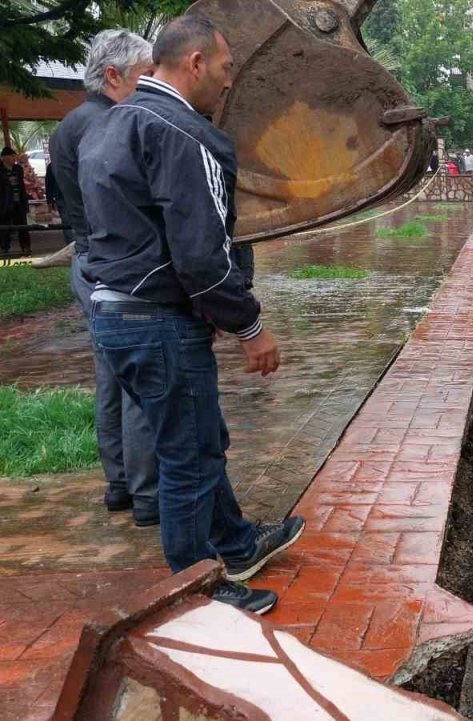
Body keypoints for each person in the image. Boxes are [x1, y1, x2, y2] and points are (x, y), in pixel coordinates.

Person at [79, 15, 304, 613]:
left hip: (112, 314)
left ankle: (236, 540)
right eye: (227, 69)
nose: (231, 84)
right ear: (196, 63)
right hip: (158, 321)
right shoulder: (186, 133)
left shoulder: (110, 125)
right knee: (187, 457)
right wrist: (249, 326)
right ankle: (196, 589)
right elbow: (203, 255)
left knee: (196, 438)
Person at [50, 29, 161, 525]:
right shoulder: (113, 122)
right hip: (112, 265)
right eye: (146, 76)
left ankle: (119, 483)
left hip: (87, 259)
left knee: (112, 376)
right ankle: (147, 493)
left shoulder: (72, 123)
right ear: (113, 75)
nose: (154, 85)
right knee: (139, 376)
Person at [1, 147, 31, 257]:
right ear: (3, 158)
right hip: (5, 204)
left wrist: (25, 203)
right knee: (5, 227)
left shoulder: (18, 169)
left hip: (19, 202)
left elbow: (22, 186)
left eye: (14, 156)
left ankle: (26, 248)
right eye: (11, 156)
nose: (14, 158)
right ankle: (4, 249)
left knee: (23, 226)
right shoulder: (1, 170)